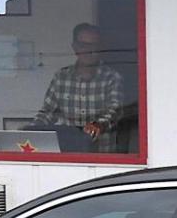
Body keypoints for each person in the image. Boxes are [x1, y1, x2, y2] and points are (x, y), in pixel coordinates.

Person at [33, 22, 125, 150]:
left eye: (93, 45)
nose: (89, 50)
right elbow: (48, 112)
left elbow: (115, 111)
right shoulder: (61, 77)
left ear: (100, 48)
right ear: (75, 47)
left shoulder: (112, 77)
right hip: (68, 153)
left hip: (102, 153)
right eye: (83, 45)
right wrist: (32, 130)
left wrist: (98, 125)